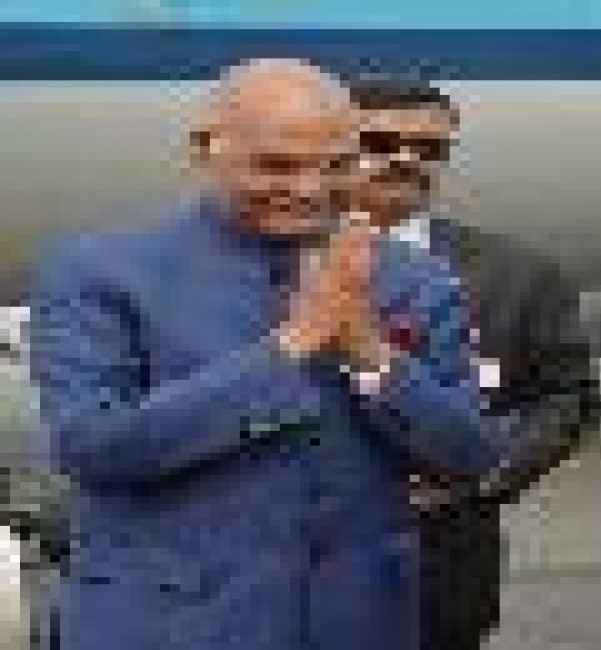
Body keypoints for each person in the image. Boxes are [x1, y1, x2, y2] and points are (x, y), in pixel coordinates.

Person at [28, 59, 496, 650]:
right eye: (277, 165)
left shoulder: (413, 277)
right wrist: (290, 347)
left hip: (357, 624)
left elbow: (471, 453)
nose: (309, 189)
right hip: (170, 626)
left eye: (337, 166)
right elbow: (96, 448)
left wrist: (371, 354)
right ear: (205, 150)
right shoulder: (101, 272)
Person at [344, 77, 595, 649]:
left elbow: (567, 398)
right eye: (379, 143)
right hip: (295, 571)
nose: (405, 159)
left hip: (445, 566)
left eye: (429, 148)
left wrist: (486, 474)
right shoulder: (275, 262)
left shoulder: (517, 274)